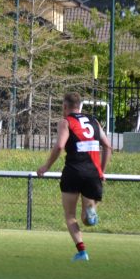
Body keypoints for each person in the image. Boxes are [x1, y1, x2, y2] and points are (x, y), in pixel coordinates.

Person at [36, 92, 112, 262]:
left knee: (70, 215)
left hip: (73, 171)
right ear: (80, 106)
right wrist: (102, 171)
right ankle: (91, 211)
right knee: (87, 219)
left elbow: (60, 146)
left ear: (65, 106)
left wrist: (46, 166)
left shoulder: (66, 122)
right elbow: (108, 146)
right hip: (93, 173)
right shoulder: (94, 121)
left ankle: (82, 252)